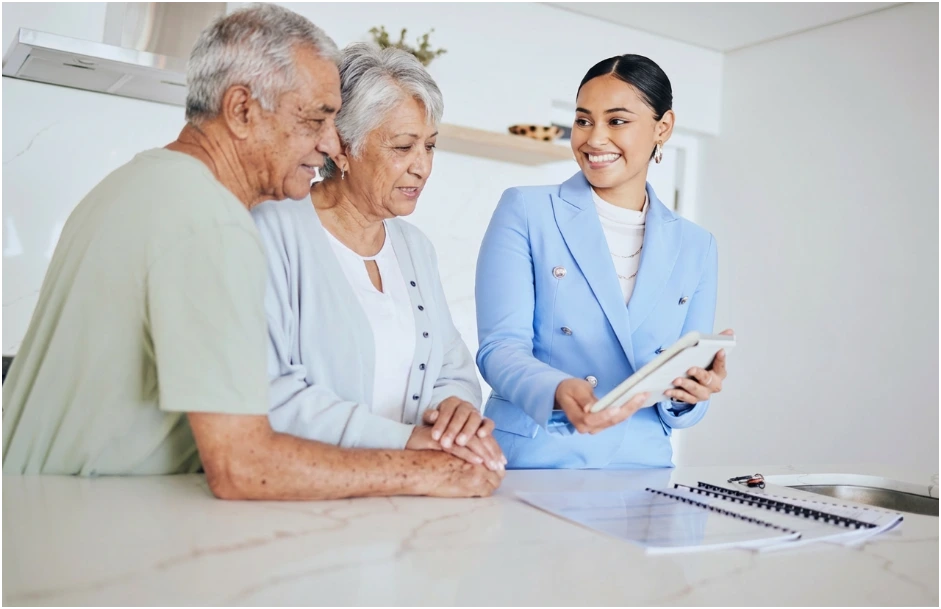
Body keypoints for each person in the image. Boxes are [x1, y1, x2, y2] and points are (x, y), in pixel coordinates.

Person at [0, 3, 504, 499]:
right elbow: (242, 463)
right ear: (242, 110)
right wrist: (423, 471)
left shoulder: (141, 183)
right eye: (315, 120)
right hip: (75, 525)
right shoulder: (212, 223)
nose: (331, 143)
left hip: (49, 515)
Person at [251, 43, 505, 473]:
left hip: (402, 486)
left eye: (430, 146)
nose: (422, 166)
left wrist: (455, 410)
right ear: (342, 148)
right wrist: (405, 441)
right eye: (403, 147)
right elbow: (270, 391)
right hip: (303, 488)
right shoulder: (273, 228)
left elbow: (451, 368)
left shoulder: (414, 247)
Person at [474, 54, 733, 470]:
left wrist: (692, 392)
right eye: (583, 120)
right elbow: (499, 348)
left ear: (662, 127)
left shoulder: (697, 245)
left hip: (642, 466)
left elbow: (680, 384)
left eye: (616, 121)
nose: (594, 139)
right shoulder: (526, 210)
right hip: (538, 456)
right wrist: (557, 388)